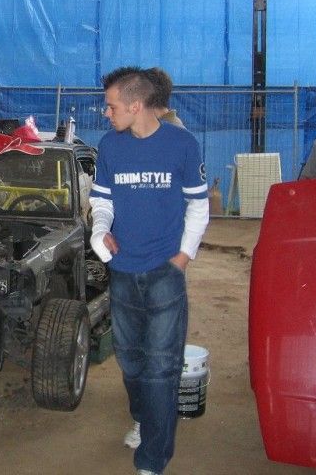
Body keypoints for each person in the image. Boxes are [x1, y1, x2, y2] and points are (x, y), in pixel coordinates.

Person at [89, 66, 209, 475]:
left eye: (111, 106)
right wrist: (100, 229)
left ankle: (152, 460)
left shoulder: (182, 144)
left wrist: (182, 258)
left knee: (161, 368)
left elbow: (198, 205)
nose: (106, 113)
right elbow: (102, 201)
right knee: (130, 360)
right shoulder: (110, 145)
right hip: (122, 271)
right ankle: (143, 418)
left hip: (164, 273)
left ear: (136, 105)